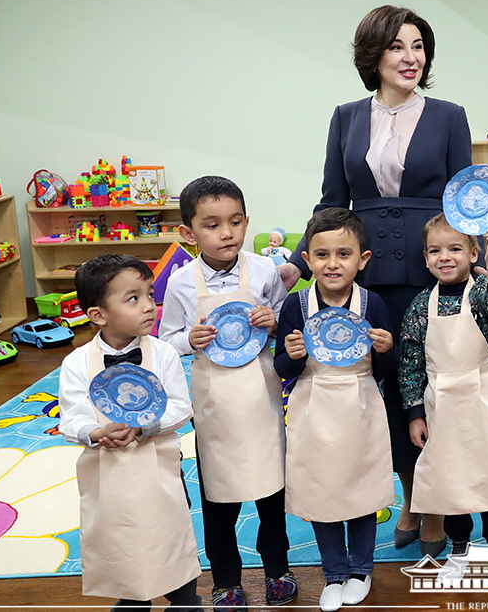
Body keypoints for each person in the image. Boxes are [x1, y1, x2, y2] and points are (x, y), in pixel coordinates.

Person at [277, 5, 472, 553]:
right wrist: (295, 261)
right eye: (397, 47)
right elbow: (331, 201)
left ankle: (431, 509)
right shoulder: (345, 116)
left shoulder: (450, 115)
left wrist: (474, 260)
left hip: (429, 267)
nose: (411, 58)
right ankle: (408, 495)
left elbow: (465, 201)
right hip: (363, 272)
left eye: (418, 46)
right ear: (374, 56)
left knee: (429, 387)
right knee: (385, 391)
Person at [158, 176, 295, 611]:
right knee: (219, 493)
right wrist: (189, 339)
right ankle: (226, 579)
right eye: (212, 225)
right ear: (188, 233)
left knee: (272, 489)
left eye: (235, 222)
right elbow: (167, 339)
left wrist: (273, 321)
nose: (227, 233)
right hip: (214, 401)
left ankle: (278, 569)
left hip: (261, 393)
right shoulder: (181, 283)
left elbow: (282, 322)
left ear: (246, 223)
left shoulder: (264, 269)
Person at [59, 254, 202, 612]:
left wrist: (142, 427)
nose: (149, 306)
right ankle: (132, 597)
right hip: (109, 473)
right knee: (119, 537)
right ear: (98, 315)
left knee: (170, 533)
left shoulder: (164, 353)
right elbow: (71, 419)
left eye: (150, 295)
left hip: (160, 466)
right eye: (133, 298)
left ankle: (185, 598)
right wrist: (95, 432)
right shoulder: (76, 363)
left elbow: (180, 407)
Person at [273, 208, 397, 611]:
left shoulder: (372, 302)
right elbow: (281, 368)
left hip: (361, 405)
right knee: (322, 490)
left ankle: (361, 569)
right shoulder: (296, 305)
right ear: (306, 260)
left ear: (362, 259)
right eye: (322, 255)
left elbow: (386, 369)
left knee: (360, 490)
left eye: (344, 254)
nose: (332, 263)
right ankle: (334, 573)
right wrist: (291, 356)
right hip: (313, 408)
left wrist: (385, 350)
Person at [398, 214, 488, 567]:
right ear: (425, 258)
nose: (445, 257)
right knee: (451, 476)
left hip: (484, 398)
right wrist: (414, 414)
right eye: (435, 250)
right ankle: (460, 543)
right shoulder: (419, 308)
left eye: (455, 248)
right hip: (440, 404)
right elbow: (409, 363)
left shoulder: (482, 295)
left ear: (473, 254)